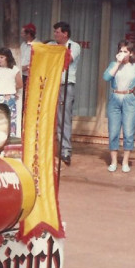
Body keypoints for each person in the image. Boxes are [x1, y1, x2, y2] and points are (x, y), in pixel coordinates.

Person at [103, 40, 135, 173]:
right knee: (114, 131)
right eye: (120, 51)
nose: (122, 53)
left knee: (128, 131)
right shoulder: (113, 64)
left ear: (131, 53)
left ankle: (126, 161)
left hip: (129, 99)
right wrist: (117, 63)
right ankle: (114, 161)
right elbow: (106, 77)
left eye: (125, 51)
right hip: (115, 98)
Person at [49, 21, 81, 165]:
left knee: (64, 118)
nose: (55, 34)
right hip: (51, 85)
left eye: (57, 32)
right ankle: (50, 149)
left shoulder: (74, 46)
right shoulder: (51, 45)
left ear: (65, 34)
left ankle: (65, 150)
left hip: (65, 85)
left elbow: (66, 59)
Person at [0, 47, 23, 136]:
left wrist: (11, 90)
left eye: (2, 57)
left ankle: (11, 136)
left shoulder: (14, 69)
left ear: (7, 58)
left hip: (9, 97)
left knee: (10, 118)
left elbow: (20, 84)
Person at [19, 23, 39, 87]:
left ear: (29, 34)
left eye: (22, 33)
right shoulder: (23, 44)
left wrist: (27, 67)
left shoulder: (38, 45)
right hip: (21, 75)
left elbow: (38, 62)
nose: (21, 35)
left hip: (31, 76)